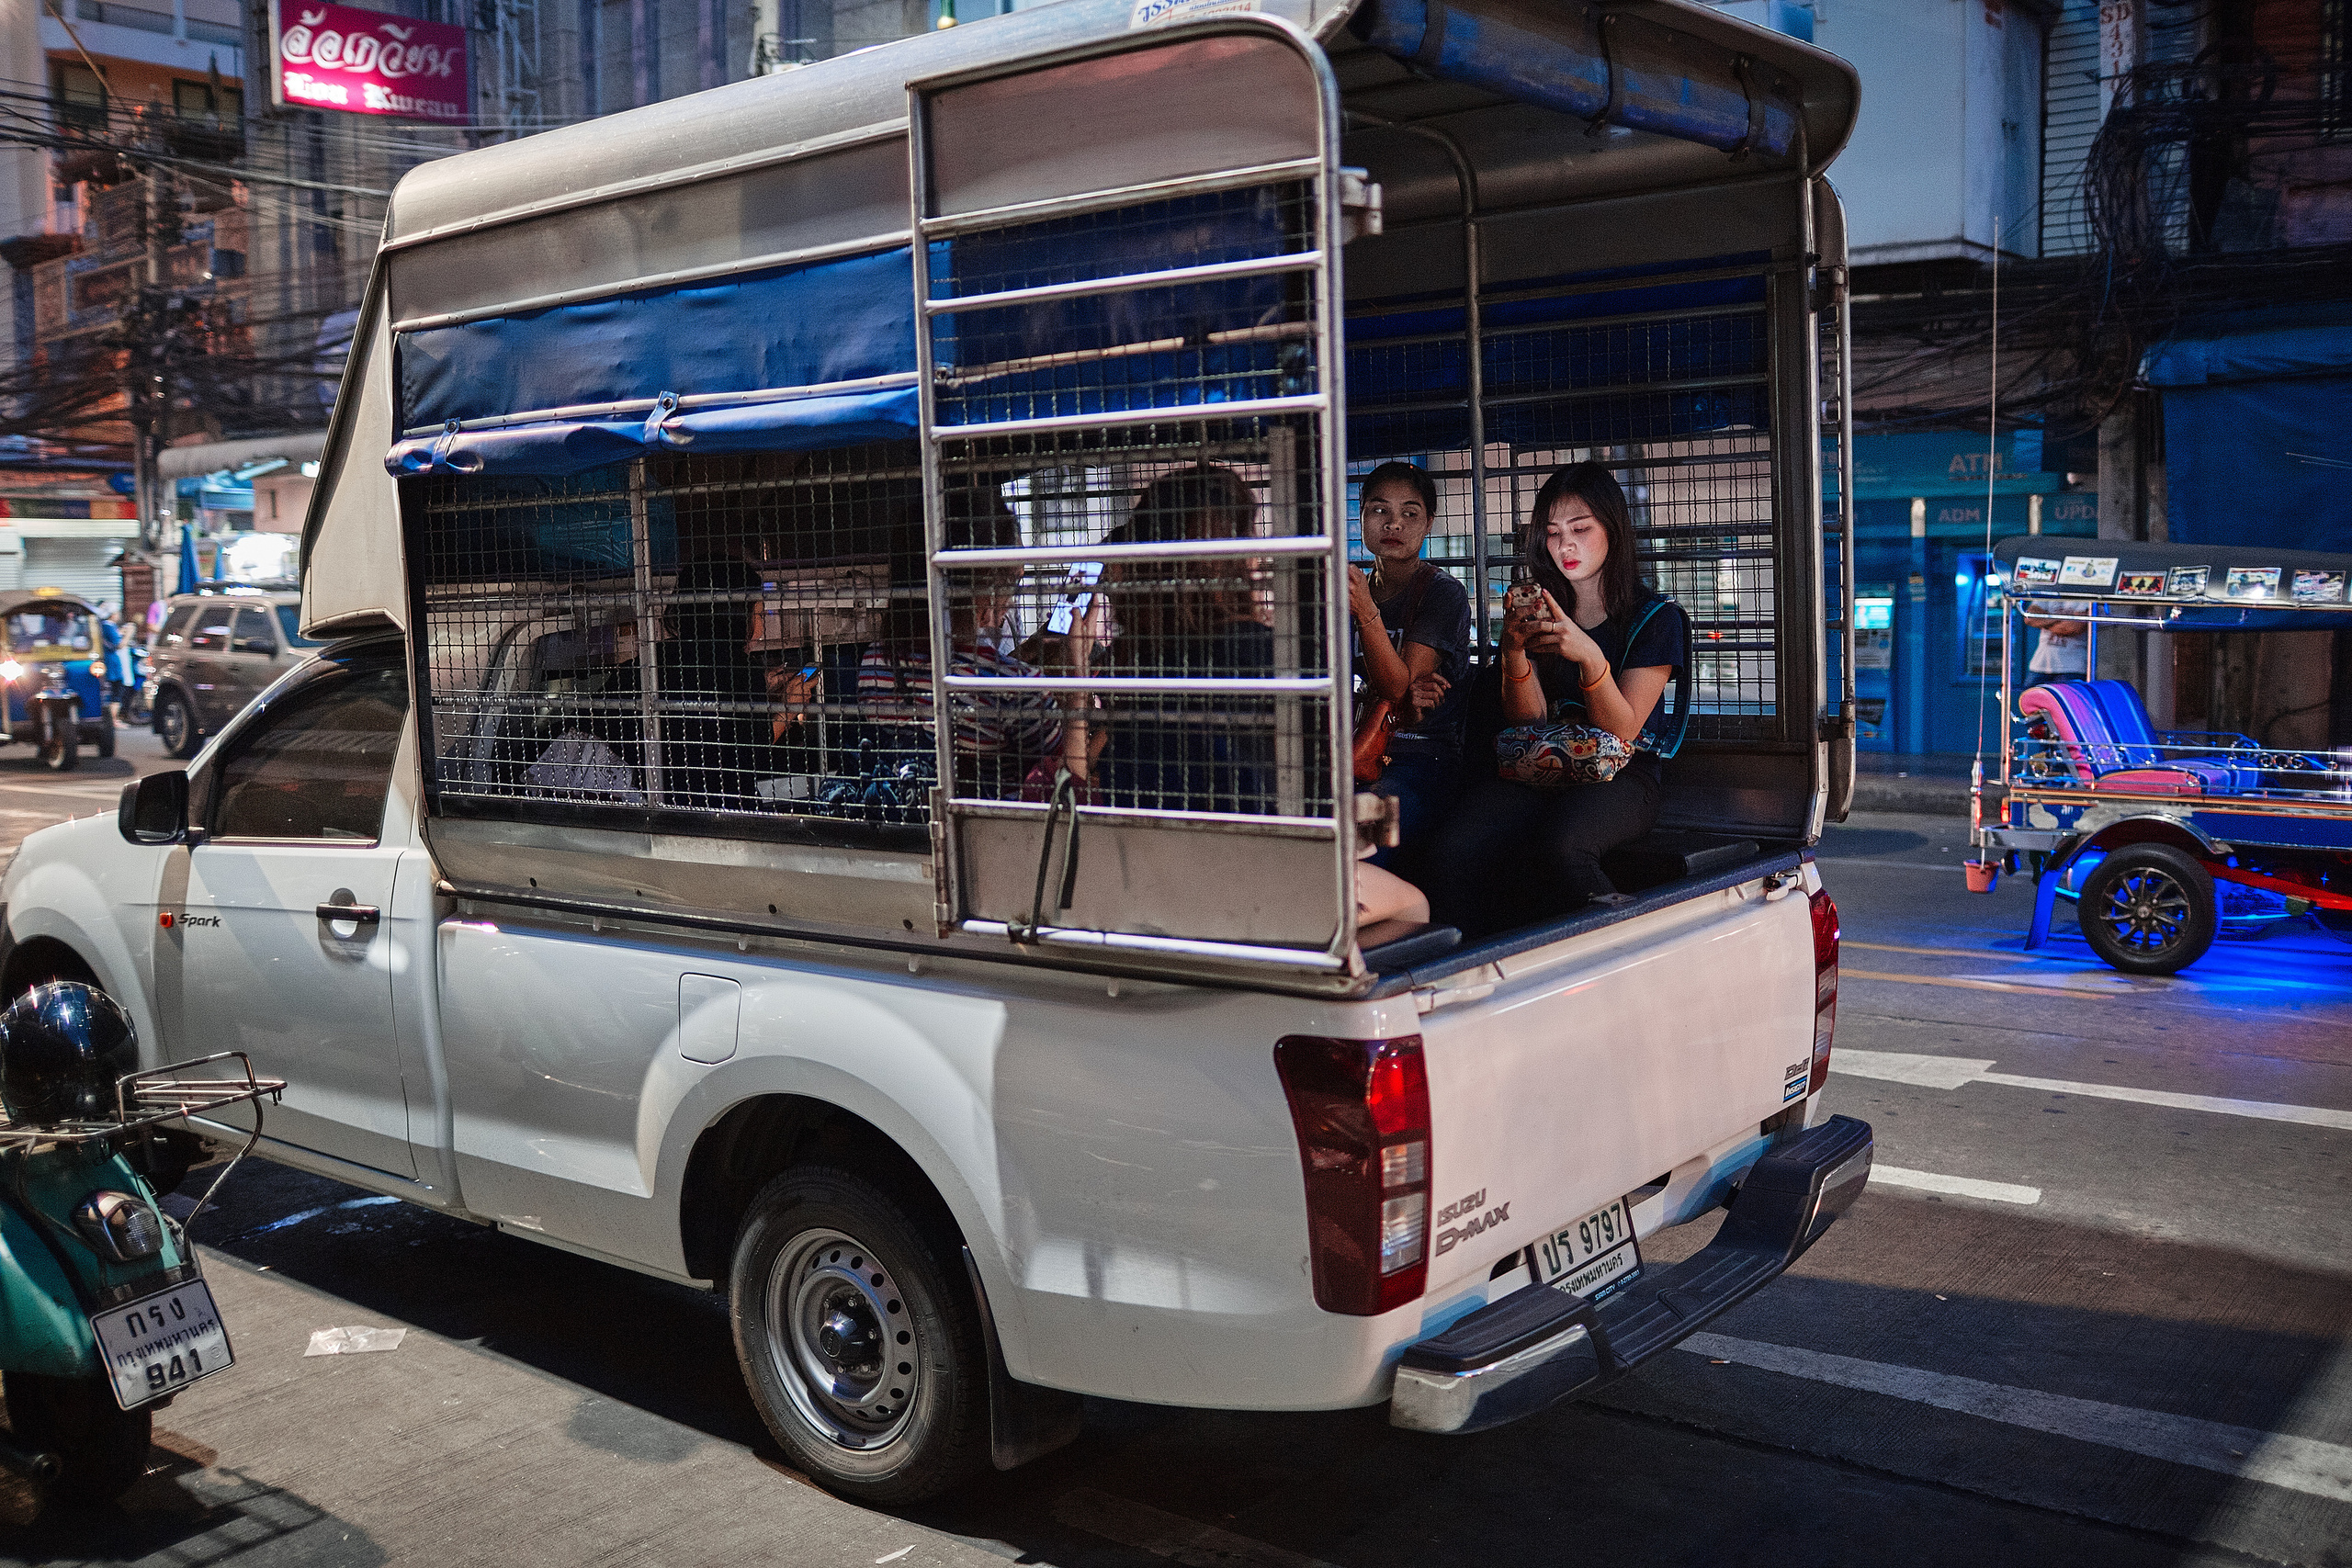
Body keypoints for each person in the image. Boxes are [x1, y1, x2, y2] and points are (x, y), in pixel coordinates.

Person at [1060, 465, 1428, 927]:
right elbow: (1303, 796)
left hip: (1149, 880)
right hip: (1252, 881)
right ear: (1227, 556)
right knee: (1414, 905)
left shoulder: (1133, 662)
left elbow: (1082, 777)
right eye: (1248, 534)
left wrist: (1075, 679)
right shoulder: (1267, 654)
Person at [1426, 461, 1686, 935]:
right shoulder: (1543, 608)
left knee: (1565, 845)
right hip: (1542, 763)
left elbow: (1622, 730)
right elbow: (1528, 720)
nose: (1565, 545)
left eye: (1580, 529)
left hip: (1625, 775)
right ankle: (1470, 958)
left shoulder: (1656, 618)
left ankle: (1616, 945)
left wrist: (1589, 655)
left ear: (1612, 530)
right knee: (1456, 847)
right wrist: (1513, 652)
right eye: (1552, 533)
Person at [854, 490, 1069, 796]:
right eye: (1011, 576)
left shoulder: (873, 663)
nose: (1016, 584)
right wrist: (1079, 689)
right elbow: (1068, 774)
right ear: (985, 578)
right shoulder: (1019, 687)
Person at [1346, 461, 1470, 871]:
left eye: (1410, 513)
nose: (1393, 523)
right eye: (1379, 510)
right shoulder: (1344, 592)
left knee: (1363, 840)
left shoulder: (1443, 594)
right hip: (1348, 752)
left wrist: (1365, 611)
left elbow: (1398, 689)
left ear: (1429, 523)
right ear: (1362, 516)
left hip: (1419, 758)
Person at [2021, 597, 2091, 679]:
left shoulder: (2083, 596)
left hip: (2072, 668)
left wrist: (2043, 620)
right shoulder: (2050, 593)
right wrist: (2062, 618)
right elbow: (2029, 618)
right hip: (2040, 665)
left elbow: (2072, 627)